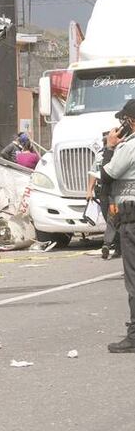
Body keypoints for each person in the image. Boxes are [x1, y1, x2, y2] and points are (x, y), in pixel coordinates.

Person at [100, 99, 135, 353]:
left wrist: (110, 147)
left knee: (133, 279)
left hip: (131, 219)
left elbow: (107, 175)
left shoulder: (129, 147)